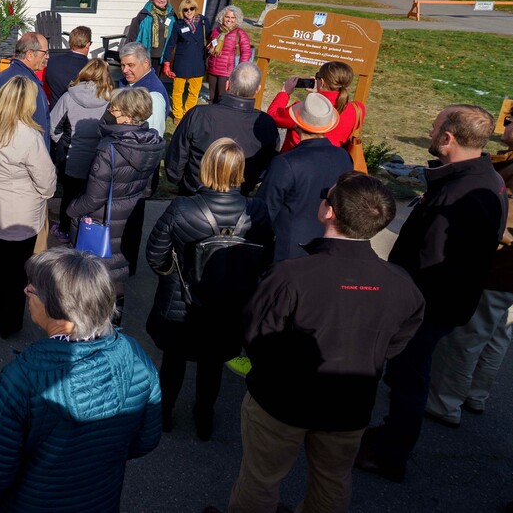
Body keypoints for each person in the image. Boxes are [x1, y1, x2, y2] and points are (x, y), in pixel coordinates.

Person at [222, 173, 424, 513]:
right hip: (350, 405)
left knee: (260, 481)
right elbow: (400, 336)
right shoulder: (401, 284)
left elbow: (256, 336)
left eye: (324, 196)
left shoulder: (289, 276)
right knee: (332, 484)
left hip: (280, 403)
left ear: (328, 212)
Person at [358, 105, 508, 483]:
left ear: (448, 138)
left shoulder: (462, 193)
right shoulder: (481, 178)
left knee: (409, 378)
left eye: (436, 126)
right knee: (409, 374)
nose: (429, 128)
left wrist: (398, 305)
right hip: (441, 304)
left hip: (426, 308)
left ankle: (391, 453)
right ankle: (393, 431)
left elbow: (430, 264)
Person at [0, 248, 162, 511]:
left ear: (57, 308)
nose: (26, 292)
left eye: (32, 288)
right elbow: (145, 439)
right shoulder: (136, 354)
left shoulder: (22, 379)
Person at [145, 138, 270, 441]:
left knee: (173, 361)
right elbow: (264, 260)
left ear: (206, 167)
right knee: (212, 364)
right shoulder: (257, 211)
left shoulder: (182, 207)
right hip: (228, 305)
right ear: (240, 170)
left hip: (182, 301)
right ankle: (204, 419)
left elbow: (155, 254)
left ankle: (164, 416)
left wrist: (171, 275)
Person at [425, 98, 513, 426]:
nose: (506, 126)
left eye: (510, 121)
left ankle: (445, 402)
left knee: (468, 336)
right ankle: (476, 393)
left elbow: (508, 224)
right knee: (498, 332)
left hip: (502, 269)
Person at [0, 76, 56, 338]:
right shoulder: (29, 136)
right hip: (18, 216)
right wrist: (43, 194)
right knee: (14, 274)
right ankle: (9, 323)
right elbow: (46, 179)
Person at [69, 87, 165, 284]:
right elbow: (148, 189)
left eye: (114, 109)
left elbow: (94, 198)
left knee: (90, 280)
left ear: (127, 116)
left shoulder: (109, 149)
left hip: (99, 221)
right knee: (116, 277)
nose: (110, 112)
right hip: (128, 220)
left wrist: (72, 210)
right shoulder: (153, 144)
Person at [259, 93, 354, 263]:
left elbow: (264, 210)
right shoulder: (343, 157)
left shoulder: (286, 162)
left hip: (287, 251)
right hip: (329, 246)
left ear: (296, 123)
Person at [166, 62, 277, 197]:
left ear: (227, 84)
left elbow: (176, 156)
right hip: (237, 198)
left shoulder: (199, 114)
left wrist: (182, 183)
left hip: (195, 192)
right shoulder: (267, 124)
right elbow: (265, 168)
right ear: (257, 89)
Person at [48, 59, 114, 243]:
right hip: (100, 158)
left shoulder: (69, 96)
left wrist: (63, 142)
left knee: (69, 195)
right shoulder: (111, 99)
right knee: (93, 196)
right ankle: (88, 231)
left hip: (71, 155)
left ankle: (65, 230)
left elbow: (53, 127)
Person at [268, 61, 364, 152]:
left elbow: (272, 116)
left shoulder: (303, 109)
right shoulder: (358, 109)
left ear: (321, 81)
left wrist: (284, 93)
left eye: (317, 76)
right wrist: (319, 94)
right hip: (332, 163)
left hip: (296, 162)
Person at [0, 32, 50, 146]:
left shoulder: (1, 76)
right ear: (29, 55)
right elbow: (40, 124)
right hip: (25, 152)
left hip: (0, 147)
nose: (47, 56)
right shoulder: (29, 84)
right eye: (45, 52)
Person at [161, 0, 208, 123]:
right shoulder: (178, 24)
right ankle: (178, 114)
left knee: (194, 91)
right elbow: (171, 44)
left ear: (195, 8)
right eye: (186, 9)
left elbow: (210, 37)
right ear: (182, 11)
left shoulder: (203, 21)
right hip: (182, 62)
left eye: (191, 8)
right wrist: (166, 62)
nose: (189, 11)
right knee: (177, 91)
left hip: (198, 62)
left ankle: (188, 113)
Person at [118, 42, 170, 137]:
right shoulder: (126, 83)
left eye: (131, 65)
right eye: (123, 65)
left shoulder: (153, 96)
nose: (125, 70)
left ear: (145, 63)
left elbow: (153, 136)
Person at [204, 6, 252, 103]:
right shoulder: (216, 31)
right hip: (213, 69)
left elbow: (246, 51)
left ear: (236, 19)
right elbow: (208, 46)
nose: (229, 20)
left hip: (227, 72)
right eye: (227, 17)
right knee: (212, 96)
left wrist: (240, 68)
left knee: (223, 97)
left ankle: (221, 116)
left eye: (232, 17)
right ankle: (211, 115)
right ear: (222, 17)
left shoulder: (240, 33)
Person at [126, 0, 174, 68]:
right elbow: (133, 36)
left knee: (156, 80)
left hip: (161, 57)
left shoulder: (172, 16)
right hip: (144, 56)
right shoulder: (144, 14)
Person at [43, 25, 92, 105]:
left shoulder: (52, 61)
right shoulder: (90, 67)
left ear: (70, 42)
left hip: (55, 111)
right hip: (79, 113)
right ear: (88, 44)